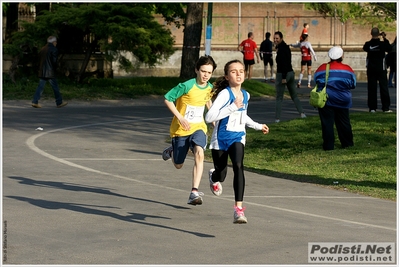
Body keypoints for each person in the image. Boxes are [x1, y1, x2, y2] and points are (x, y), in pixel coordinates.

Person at [205, 59, 269, 224]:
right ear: (227, 76)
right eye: (234, 71)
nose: (238, 74)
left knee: (239, 165)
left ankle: (238, 210)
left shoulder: (246, 95)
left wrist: (257, 125)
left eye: (241, 71)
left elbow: (242, 116)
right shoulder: (225, 94)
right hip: (220, 139)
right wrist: (231, 107)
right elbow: (209, 116)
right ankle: (214, 176)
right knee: (222, 174)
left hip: (238, 136)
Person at [162, 55, 217, 206]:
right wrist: (180, 117)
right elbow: (167, 98)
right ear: (196, 70)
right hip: (181, 129)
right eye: (203, 71)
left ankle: (194, 192)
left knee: (199, 153)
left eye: (209, 72)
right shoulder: (186, 85)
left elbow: (207, 101)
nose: (205, 75)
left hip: (198, 127)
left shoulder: (210, 88)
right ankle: (173, 151)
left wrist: (214, 121)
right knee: (178, 164)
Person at [314, 46, 356, 151]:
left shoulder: (322, 68)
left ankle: (328, 146)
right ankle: (347, 144)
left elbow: (316, 79)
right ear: (342, 56)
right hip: (343, 100)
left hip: (326, 100)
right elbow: (353, 84)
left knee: (327, 123)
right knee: (344, 122)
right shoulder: (348, 69)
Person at [273, 31, 306, 123]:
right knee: (294, 95)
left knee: (279, 97)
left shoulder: (281, 49)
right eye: (274, 38)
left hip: (283, 74)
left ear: (281, 38)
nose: (275, 40)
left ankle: (277, 118)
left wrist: (283, 77)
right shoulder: (285, 47)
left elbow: (283, 63)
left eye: (277, 38)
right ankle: (302, 113)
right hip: (291, 73)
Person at [32, 36, 67, 108]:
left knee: (40, 87)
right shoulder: (53, 49)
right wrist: (57, 69)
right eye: (56, 42)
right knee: (55, 87)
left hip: (42, 71)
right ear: (53, 42)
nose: (56, 43)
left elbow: (39, 60)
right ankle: (59, 102)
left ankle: (35, 101)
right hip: (50, 72)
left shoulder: (43, 49)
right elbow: (54, 61)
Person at [362, 27, 392, 113]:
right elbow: (389, 48)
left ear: (371, 34)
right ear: (379, 34)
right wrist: (384, 38)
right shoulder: (382, 44)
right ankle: (385, 107)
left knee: (372, 89)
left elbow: (365, 48)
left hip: (371, 69)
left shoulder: (368, 44)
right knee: (384, 88)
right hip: (381, 68)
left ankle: (372, 108)